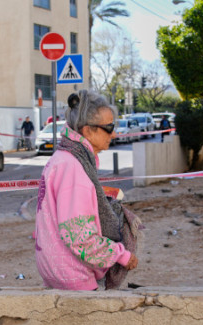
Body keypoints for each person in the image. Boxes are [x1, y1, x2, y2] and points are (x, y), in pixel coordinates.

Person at [34, 90, 141, 291]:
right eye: (109, 128)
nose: (114, 134)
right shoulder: (74, 168)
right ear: (88, 130)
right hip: (73, 275)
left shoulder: (62, 159)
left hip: (55, 269)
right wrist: (122, 255)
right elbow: (80, 237)